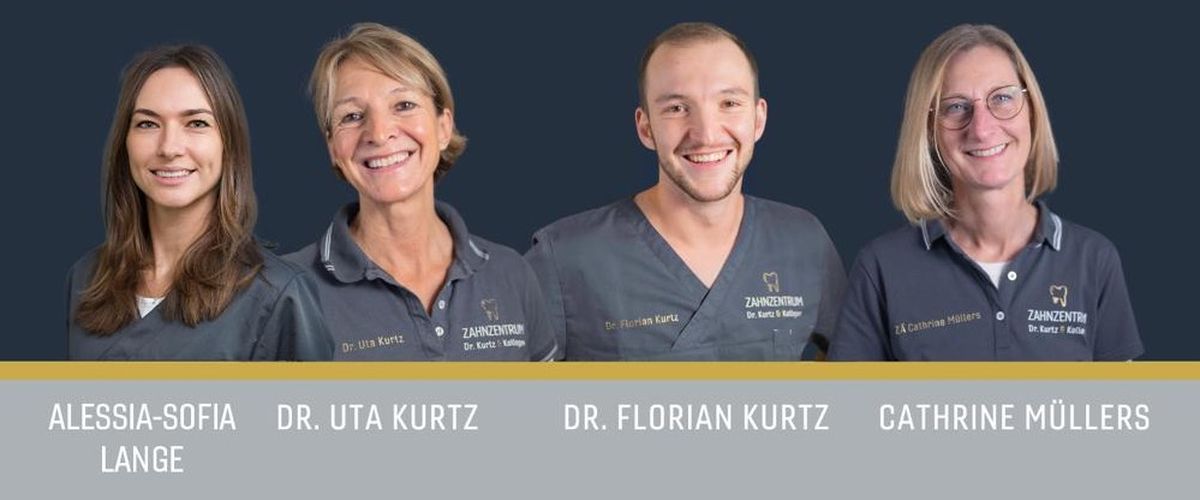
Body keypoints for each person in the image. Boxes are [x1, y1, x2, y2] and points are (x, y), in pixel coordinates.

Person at [525, 22, 846, 360]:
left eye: (729, 103)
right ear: (646, 128)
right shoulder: (563, 259)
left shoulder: (803, 241)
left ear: (758, 119)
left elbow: (852, 368)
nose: (706, 135)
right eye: (677, 108)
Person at [828, 24, 1142, 361]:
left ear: (1032, 111)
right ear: (929, 130)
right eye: (955, 107)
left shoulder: (1093, 260)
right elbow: (851, 398)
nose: (981, 129)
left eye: (1002, 98)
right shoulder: (882, 267)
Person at [286, 23, 556, 361]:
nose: (379, 134)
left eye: (403, 105)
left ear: (443, 127)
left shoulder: (511, 274)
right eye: (352, 116)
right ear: (332, 148)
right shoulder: (288, 291)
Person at [67, 45, 333, 360]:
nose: (169, 148)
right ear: (124, 143)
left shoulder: (279, 295)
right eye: (147, 124)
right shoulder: (86, 277)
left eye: (196, 123)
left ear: (228, 143)